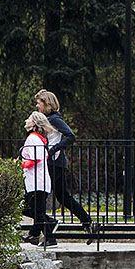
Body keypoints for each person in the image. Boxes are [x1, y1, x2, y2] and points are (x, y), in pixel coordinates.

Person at [34, 90, 93, 236]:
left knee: (41, 196)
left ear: (47, 103)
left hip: (54, 162)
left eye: (39, 102)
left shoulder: (54, 119)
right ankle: (87, 221)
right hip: (55, 162)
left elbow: (70, 136)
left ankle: (36, 232)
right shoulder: (48, 119)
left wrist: (53, 149)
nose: (37, 105)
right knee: (62, 196)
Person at [20, 112, 58, 246]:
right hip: (39, 181)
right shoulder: (40, 139)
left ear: (34, 123)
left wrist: (19, 164)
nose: (26, 120)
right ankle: (35, 234)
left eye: (29, 119)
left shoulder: (32, 139)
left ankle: (49, 237)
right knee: (36, 211)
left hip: (36, 181)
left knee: (34, 211)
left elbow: (35, 159)